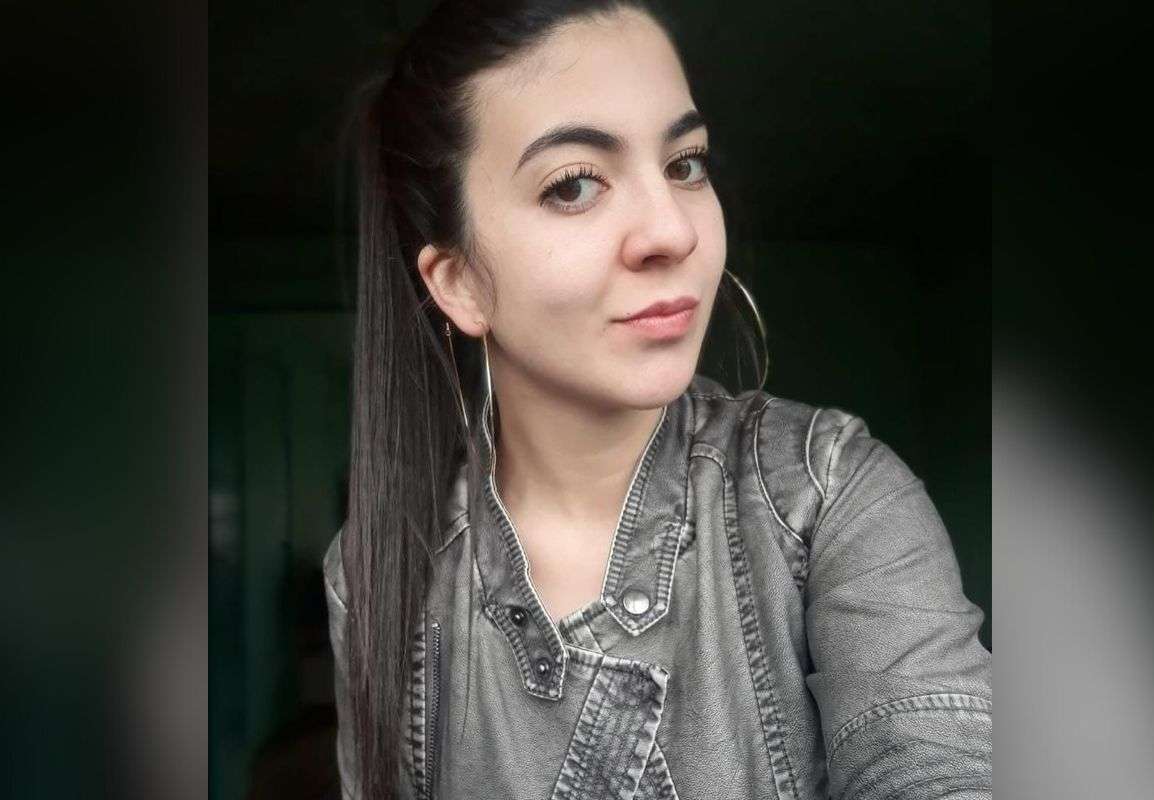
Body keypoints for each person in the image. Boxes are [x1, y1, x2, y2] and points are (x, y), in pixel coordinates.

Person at [323, 1, 992, 798]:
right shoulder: (374, 573)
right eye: (574, 184)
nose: (673, 231)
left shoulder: (831, 494)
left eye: (684, 165)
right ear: (459, 282)